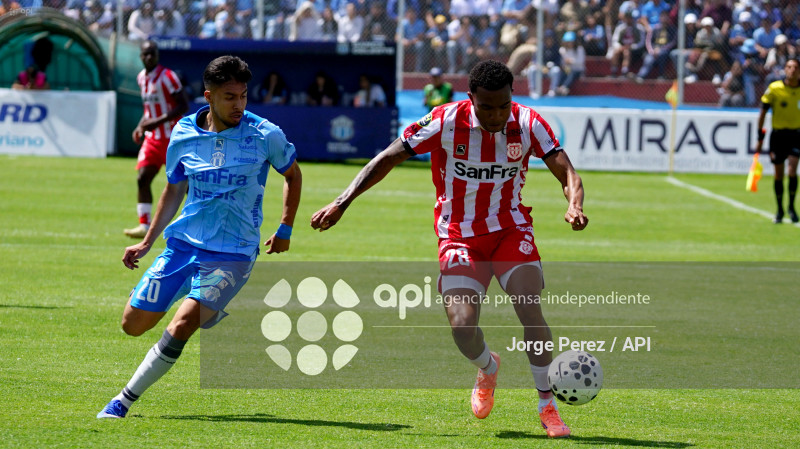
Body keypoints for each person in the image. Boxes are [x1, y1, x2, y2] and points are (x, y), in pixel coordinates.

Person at [311, 60, 587, 439]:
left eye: (503, 105)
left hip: (510, 230)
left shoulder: (527, 122)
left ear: (512, 98)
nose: (495, 115)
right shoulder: (444, 120)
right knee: (461, 326)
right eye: (486, 106)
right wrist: (343, 201)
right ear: (470, 97)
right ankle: (489, 367)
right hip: (458, 235)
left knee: (528, 305)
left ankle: (547, 405)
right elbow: (390, 156)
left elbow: (566, 171)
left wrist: (574, 203)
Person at [97, 55, 302, 418]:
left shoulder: (264, 134)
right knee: (132, 325)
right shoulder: (184, 133)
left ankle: (123, 401)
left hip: (233, 253)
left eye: (243, 96)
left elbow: (293, 175)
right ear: (208, 96)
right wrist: (147, 240)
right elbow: (173, 189)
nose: (238, 105)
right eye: (229, 97)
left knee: (184, 323)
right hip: (183, 245)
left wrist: (285, 227)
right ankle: (186, 292)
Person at [123, 41, 189, 239]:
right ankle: (144, 225)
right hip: (152, 139)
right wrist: (140, 126)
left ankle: (195, 222)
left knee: (185, 185)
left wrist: (155, 122)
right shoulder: (141, 78)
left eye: (152, 53)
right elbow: (148, 109)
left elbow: (183, 105)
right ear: (141, 56)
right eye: (145, 54)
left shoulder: (168, 77)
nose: (149, 57)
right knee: (143, 178)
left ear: (158, 55)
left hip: (172, 139)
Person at [755, 58, 800, 224]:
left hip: (796, 136)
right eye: (789, 67)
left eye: (795, 67)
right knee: (779, 174)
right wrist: (760, 137)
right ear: (784, 70)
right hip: (778, 136)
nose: (792, 70)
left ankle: (792, 207)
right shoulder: (775, 89)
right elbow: (763, 113)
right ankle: (780, 209)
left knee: (792, 170)